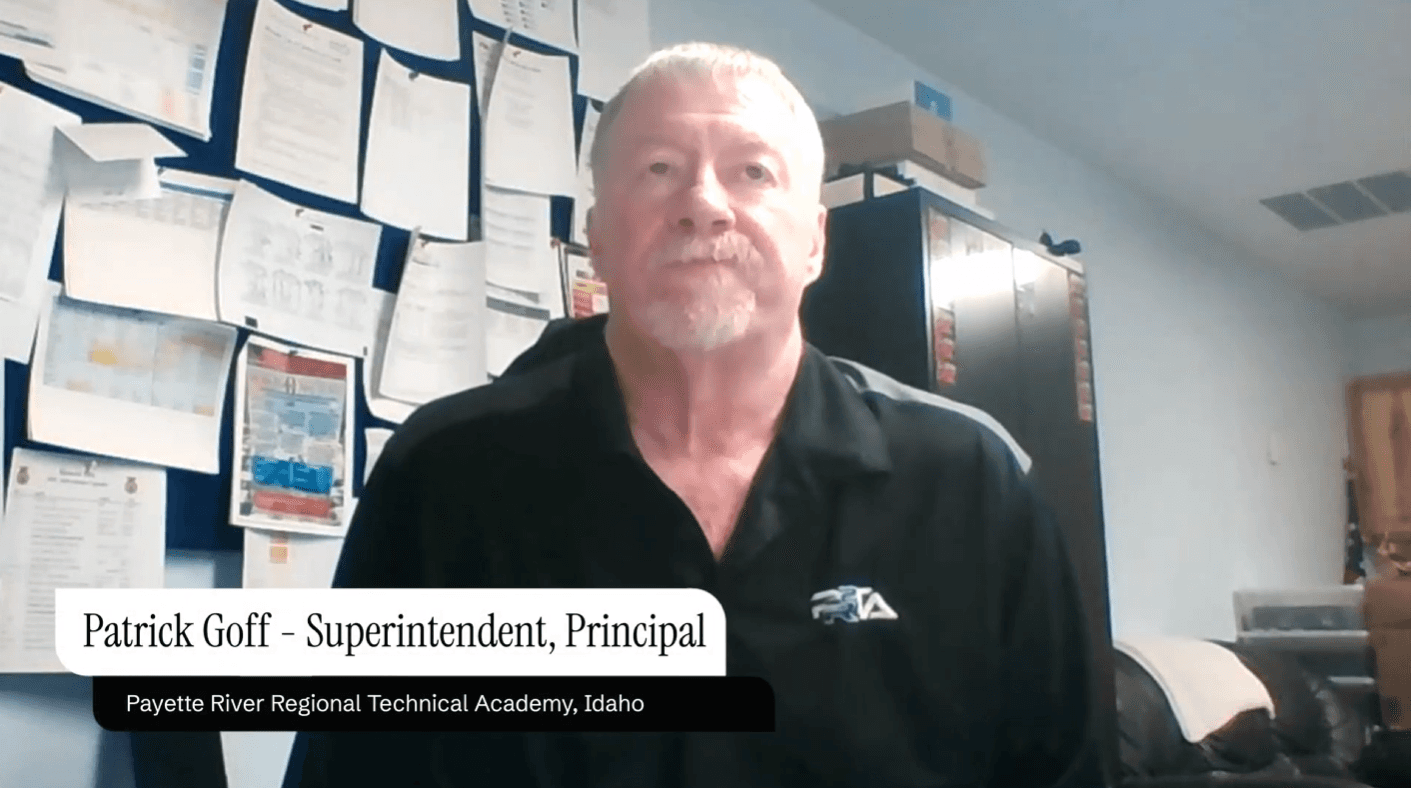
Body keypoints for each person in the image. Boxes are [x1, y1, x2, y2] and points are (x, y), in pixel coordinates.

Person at [293, 42, 1094, 788]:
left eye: (752, 172)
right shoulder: (444, 475)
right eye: (659, 168)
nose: (704, 204)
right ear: (597, 236)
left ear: (815, 242)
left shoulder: (969, 484)